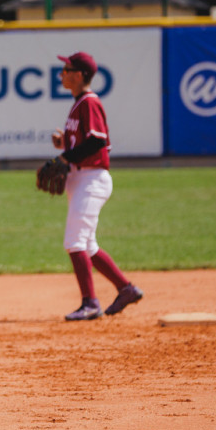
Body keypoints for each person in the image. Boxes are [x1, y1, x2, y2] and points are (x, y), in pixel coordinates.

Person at [51, 51, 143, 321]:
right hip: (82, 178)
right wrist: (64, 144)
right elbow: (85, 142)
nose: (62, 74)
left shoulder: (89, 102)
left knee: (74, 242)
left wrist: (65, 156)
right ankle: (126, 289)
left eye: (66, 69)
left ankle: (90, 303)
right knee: (87, 245)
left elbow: (97, 143)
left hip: (91, 179)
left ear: (79, 75)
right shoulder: (79, 103)